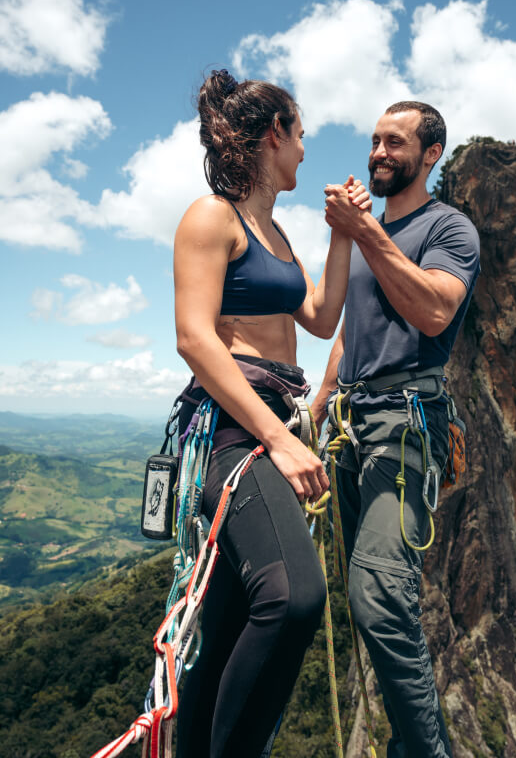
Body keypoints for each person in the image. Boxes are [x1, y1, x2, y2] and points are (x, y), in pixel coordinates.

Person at [173, 68, 369, 758]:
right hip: (238, 434)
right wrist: (278, 444)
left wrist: (341, 232)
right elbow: (195, 338)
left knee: (226, 626)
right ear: (273, 135)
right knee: (294, 597)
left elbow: (317, 319)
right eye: (301, 134)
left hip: (275, 423)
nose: (306, 151)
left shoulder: (277, 234)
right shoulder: (211, 218)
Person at [312, 101, 480, 758]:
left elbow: (435, 309)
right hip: (354, 425)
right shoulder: (366, 236)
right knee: (368, 600)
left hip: (407, 423)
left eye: (396, 142)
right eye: (375, 141)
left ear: (431, 153)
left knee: (379, 593)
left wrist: (362, 231)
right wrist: (323, 398)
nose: (380, 152)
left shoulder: (450, 229)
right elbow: (353, 326)